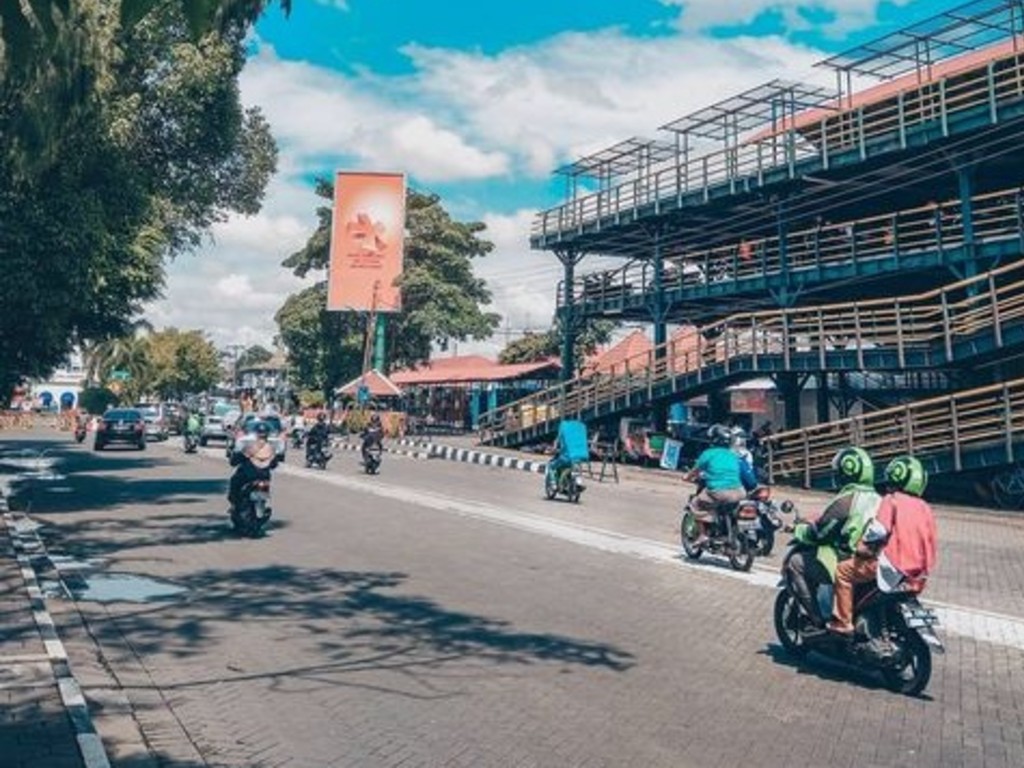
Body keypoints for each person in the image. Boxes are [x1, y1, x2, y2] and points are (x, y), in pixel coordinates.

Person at [827, 456, 937, 636]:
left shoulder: (891, 500)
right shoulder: (925, 507)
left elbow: (878, 530)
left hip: (892, 568)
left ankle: (843, 622)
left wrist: (863, 544)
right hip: (918, 574)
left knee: (842, 571)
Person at [786, 446, 881, 630]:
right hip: (873, 558)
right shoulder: (877, 498)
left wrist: (798, 530)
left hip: (849, 559)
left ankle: (816, 619)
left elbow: (820, 534)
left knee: (796, 563)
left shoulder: (846, 499)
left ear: (846, 472)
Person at [684, 424, 749, 543]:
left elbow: (695, 471)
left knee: (696, 503)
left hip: (720, 492)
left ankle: (703, 534)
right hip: (740, 491)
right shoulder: (733, 454)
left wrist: (687, 477)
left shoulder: (708, 454)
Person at [228, 422, 277, 508]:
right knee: (235, 481)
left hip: (253, 477)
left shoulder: (264, 448)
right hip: (259, 477)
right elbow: (274, 464)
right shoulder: (268, 448)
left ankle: (235, 504)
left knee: (235, 481)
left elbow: (274, 463)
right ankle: (236, 504)